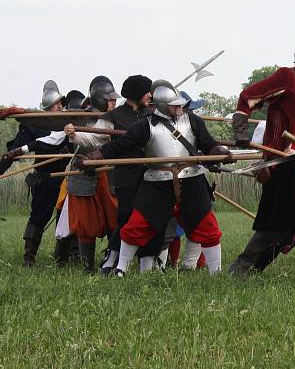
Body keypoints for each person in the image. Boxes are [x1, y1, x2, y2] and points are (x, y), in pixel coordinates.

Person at [79, 80, 233, 276]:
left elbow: (208, 144)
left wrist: (221, 152)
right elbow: (118, 146)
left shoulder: (193, 121)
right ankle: (121, 269)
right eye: (174, 104)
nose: (179, 107)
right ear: (161, 105)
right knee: (136, 225)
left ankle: (216, 273)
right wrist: (92, 157)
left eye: (179, 104)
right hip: (157, 183)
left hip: (192, 180)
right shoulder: (144, 126)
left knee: (207, 227)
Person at [228, 35, 295, 280]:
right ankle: (243, 265)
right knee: (276, 224)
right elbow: (249, 96)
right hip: (279, 162)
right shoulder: (287, 77)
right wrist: (241, 131)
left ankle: (256, 267)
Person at [68, 75, 154, 274]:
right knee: (125, 217)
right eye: (146, 91)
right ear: (136, 94)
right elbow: (93, 138)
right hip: (125, 176)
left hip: (150, 174)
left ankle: (147, 262)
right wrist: (74, 134)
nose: (150, 95)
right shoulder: (113, 117)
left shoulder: (151, 114)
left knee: (149, 218)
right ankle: (113, 259)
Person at [0, 81, 71, 267]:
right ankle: (29, 258)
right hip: (45, 178)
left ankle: (64, 259)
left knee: (67, 217)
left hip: (66, 178)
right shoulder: (34, 125)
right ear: (48, 107)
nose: (60, 106)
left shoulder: (68, 121)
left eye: (61, 103)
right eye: (56, 104)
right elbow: (16, 150)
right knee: (39, 216)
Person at [63, 76, 121, 272]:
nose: (113, 102)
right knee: (85, 223)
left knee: (115, 217)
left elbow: (97, 136)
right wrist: (72, 132)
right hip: (82, 173)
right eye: (110, 99)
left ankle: (111, 260)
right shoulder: (80, 116)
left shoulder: (113, 118)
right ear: (98, 98)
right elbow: (87, 139)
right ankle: (88, 268)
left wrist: (76, 134)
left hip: (107, 173)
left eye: (115, 99)